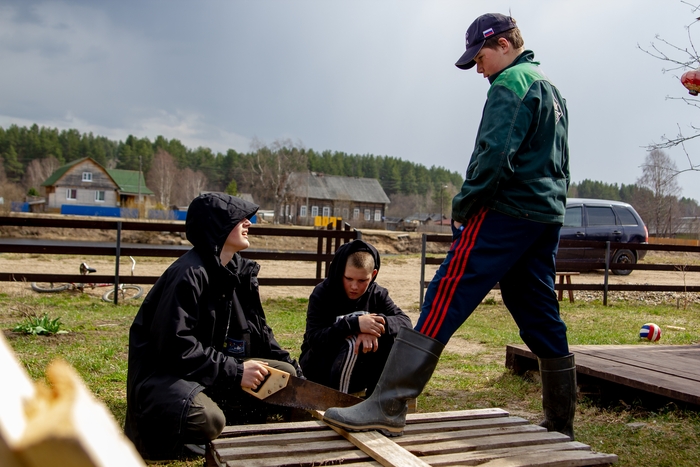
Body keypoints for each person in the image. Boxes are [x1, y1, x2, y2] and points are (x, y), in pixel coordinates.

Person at [324, 12, 575, 440]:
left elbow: (493, 155)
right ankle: (560, 421)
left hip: (504, 210)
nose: (479, 70)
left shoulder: (510, 84)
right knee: (538, 310)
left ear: (502, 45)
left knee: (445, 293)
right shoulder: (550, 87)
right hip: (544, 214)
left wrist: (464, 203)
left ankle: (388, 403)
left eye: (479, 58)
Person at [124, 193, 303, 461]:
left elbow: (260, 330)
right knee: (210, 420)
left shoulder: (238, 271)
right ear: (217, 226)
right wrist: (237, 371)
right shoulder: (188, 274)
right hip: (165, 376)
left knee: (285, 374)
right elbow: (174, 349)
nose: (248, 223)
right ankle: (196, 430)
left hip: (208, 369)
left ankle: (232, 411)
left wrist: (294, 370)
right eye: (239, 218)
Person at [299, 240, 412, 395]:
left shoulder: (378, 294)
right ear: (340, 272)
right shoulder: (322, 293)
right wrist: (354, 324)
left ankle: (376, 399)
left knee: (393, 338)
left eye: (362, 281)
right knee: (351, 342)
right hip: (322, 371)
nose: (354, 286)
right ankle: (338, 400)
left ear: (373, 275)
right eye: (349, 278)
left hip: (359, 372)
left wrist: (373, 326)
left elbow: (405, 322)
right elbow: (315, 339)